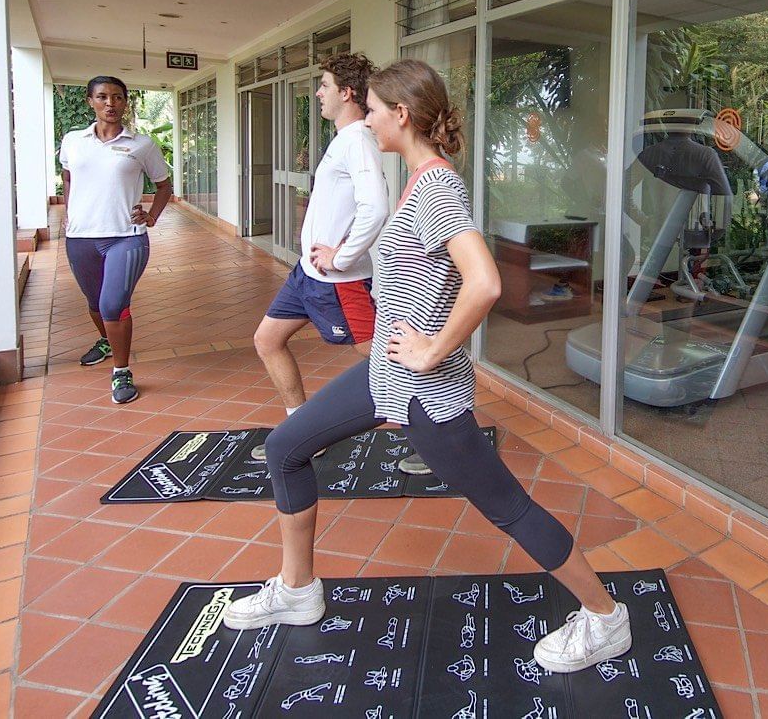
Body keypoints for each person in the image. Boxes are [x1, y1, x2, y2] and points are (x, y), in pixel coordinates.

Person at [225, 59, 633, 674]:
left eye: (372, 107)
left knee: (506, 505)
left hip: (425, 392)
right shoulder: (417, 180)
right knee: (285, 447)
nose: (366, 116)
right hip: (384, 377)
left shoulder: (437, 187)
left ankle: (606, 618)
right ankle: (297, 589)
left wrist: (434, 348)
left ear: (401, 114)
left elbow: (485, 281)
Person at [251, 53, 432, 477]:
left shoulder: (357, 142)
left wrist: (343, 256)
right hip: (306, 276)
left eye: (325, 86)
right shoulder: (344, 139)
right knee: (267, 340)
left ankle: (432, 440)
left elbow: (375, 208)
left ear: (345, 93)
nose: (318, 92)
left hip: (341, 282)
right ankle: (299, 431)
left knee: (386, 359)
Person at [59, 76, 172, 404]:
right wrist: (70, 211)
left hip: (126, 237)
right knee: (94, 302)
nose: (110, 103)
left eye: (117, 97)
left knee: (112, 304)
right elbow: (68, 177)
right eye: (103, 97)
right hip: (80, 237)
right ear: (90, 101)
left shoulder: (141, 144)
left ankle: (121, 371)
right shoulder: (72, 141)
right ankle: (106, 340)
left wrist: (151, 217)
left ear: (126, 102)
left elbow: (163, 186)